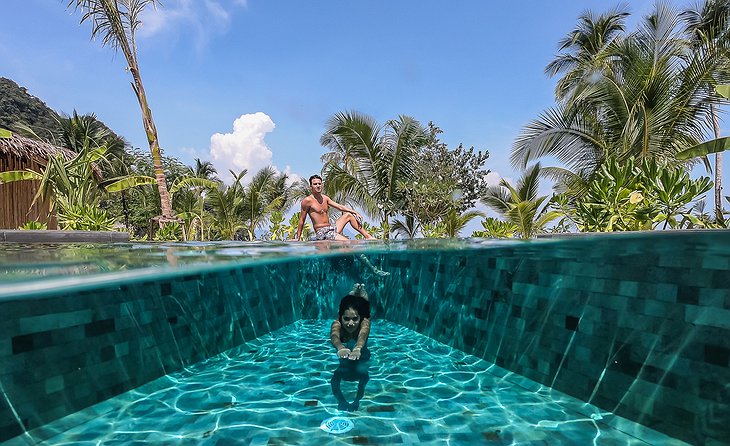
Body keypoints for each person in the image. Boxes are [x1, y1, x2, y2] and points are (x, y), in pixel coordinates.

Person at [295, 175, 375, 241]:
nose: (318, 186)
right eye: (315, 184)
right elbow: (302, 220)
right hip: (322, 233)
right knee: (347, 241)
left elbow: (339, 206)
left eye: (319, 184)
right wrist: (297, 238)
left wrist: (355, 212)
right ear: (311, 186)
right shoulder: (307, 201)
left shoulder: (325, 198)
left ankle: (368, 236)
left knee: (348, 215)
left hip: (331, 228)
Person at [329, 285, 371, 411]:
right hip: (344, 331)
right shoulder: (337, 323)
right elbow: (334, 336)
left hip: (361, 327)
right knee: (349, 302)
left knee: (364, 303)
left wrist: (358, 348)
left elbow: (362, 336)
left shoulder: (364, 322)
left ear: (360, 318)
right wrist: (340, 347)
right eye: (346, 318)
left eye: (355, 319)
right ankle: (353, 291)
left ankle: (361, 290)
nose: (351, 323)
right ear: (340, 317)